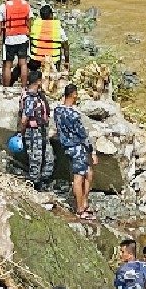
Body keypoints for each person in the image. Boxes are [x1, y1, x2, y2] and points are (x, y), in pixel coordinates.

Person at [53, 83, 96, 219]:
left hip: (67, 147)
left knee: (88, 173)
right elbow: (82, 135)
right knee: (79, 177)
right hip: (77, 148)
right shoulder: (74, 115)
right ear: (74, 95)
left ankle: (84, 202)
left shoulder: (57, 111)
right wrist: (92, 151)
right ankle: (80, 210)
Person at [18, 70, 55, 190]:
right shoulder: (30, 98)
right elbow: (24, 119)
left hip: (42, 129)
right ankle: (35, 183)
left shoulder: (38, 95)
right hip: (33, 131)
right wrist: (21, 133)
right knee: (35, 157)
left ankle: (44, 179)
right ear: (38, 81)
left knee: (48, 156)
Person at [0, 0, 33, 87]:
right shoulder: (25, 4)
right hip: (23, 38)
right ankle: (24, 87)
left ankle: (6, 88)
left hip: (9, 39)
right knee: (23, 63)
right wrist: (28, 32)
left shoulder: (3, 7)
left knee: (8, 65)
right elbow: (29, 21)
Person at [29, 5, 69, 75]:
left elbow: (30, 39)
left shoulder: (35, 25)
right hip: (52, 60)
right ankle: (57, 70)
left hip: (36, 59)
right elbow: (66, 46)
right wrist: (66, 62)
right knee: (60, 45)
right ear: (51, 15)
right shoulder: (57, 27)